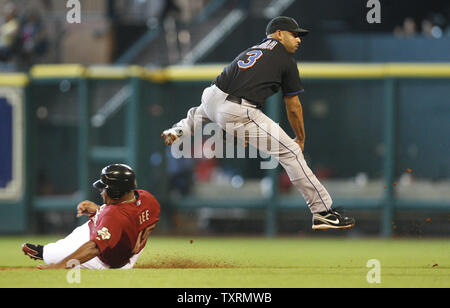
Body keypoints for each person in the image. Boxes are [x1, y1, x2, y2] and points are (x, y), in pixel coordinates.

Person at [161, 16, 355, 231]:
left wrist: (233, 129)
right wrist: (300, 138)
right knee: (290, 152)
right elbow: (294, 106)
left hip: (212, 96)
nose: (299, 39)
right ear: (279, 33)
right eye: (294, 34)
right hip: (237, 109)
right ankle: (322, 212)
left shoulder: (254, 49)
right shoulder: (285, 59)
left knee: (200, 112)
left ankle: (181, 128)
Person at [22, 164, 161, 269]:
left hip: (103, 260)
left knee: (53, 254)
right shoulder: (147, 198)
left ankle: (44, 252)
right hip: (124, 247)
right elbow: (146, 222)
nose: (101, 192)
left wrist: (59, 266)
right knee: (83, 230)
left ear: (116, 192)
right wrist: (99, 211)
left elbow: (93, 248)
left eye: (104, 189)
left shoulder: (113, 215)